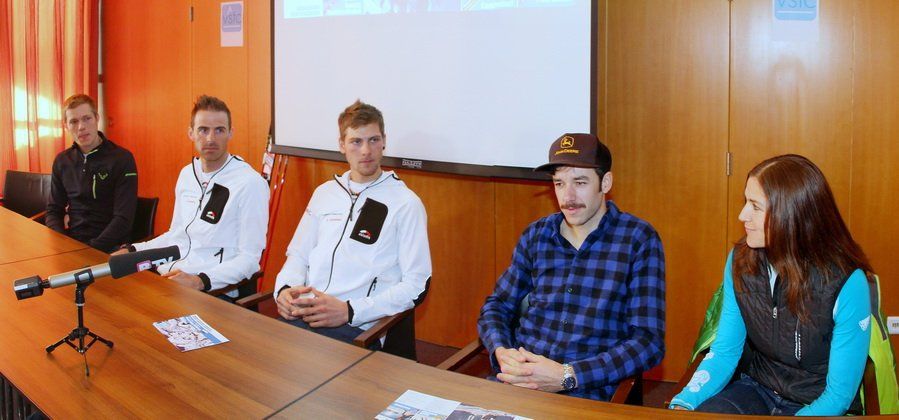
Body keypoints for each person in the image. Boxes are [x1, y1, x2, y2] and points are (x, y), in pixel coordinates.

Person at [669, 154, 872, 415]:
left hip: (816, 402)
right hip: (758, 388)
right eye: (746, 202)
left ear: (793, 215)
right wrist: (684, 402)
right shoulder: (741, 261)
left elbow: (839, 396)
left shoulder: (846, 282)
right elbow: (725, 353)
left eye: (755, 206)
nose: (742, 215)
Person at [477, 133, 665, 401]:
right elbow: (497, 306)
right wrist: (501, 350)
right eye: (559, 183)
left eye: (580, 182)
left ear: (605, 182)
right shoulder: (537, 234)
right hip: (520, 379)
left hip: (588, 391)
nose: (568, 196)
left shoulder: (638, 239)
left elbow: (648, 342)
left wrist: (568, 375)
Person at [274, 100, 431, 348]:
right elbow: (298, 255)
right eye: (356, 141)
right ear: (342, 145)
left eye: (373, 140)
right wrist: (284, 289)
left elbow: (417, 285)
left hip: (356, 328)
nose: (366, 151)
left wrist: (350, 311)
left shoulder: (405, 203)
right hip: (305, 314)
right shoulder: (324, 193)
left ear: (384, 141)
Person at [113, 95, 269, 299]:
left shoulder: (250, 183)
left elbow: (249, 259)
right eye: (203, 130)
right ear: (191, 133)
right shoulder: (187, 174)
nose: (211, 138)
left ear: (230, 133)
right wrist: (133, 249)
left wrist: (199, 281)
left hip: (212, 288)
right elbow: (176, 235)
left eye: (219, 130)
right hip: (171, 277)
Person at [46, 94, 137, 253]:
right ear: (66, 126)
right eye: (74, 121)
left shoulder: (122, 159)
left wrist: (90, 250)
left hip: (111, 247)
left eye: (87, 118)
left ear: (97, 118)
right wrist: (63, 244)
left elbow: (123, 218)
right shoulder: (62, 161)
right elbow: (53, 211)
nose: (81, 127)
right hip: (73, 245)